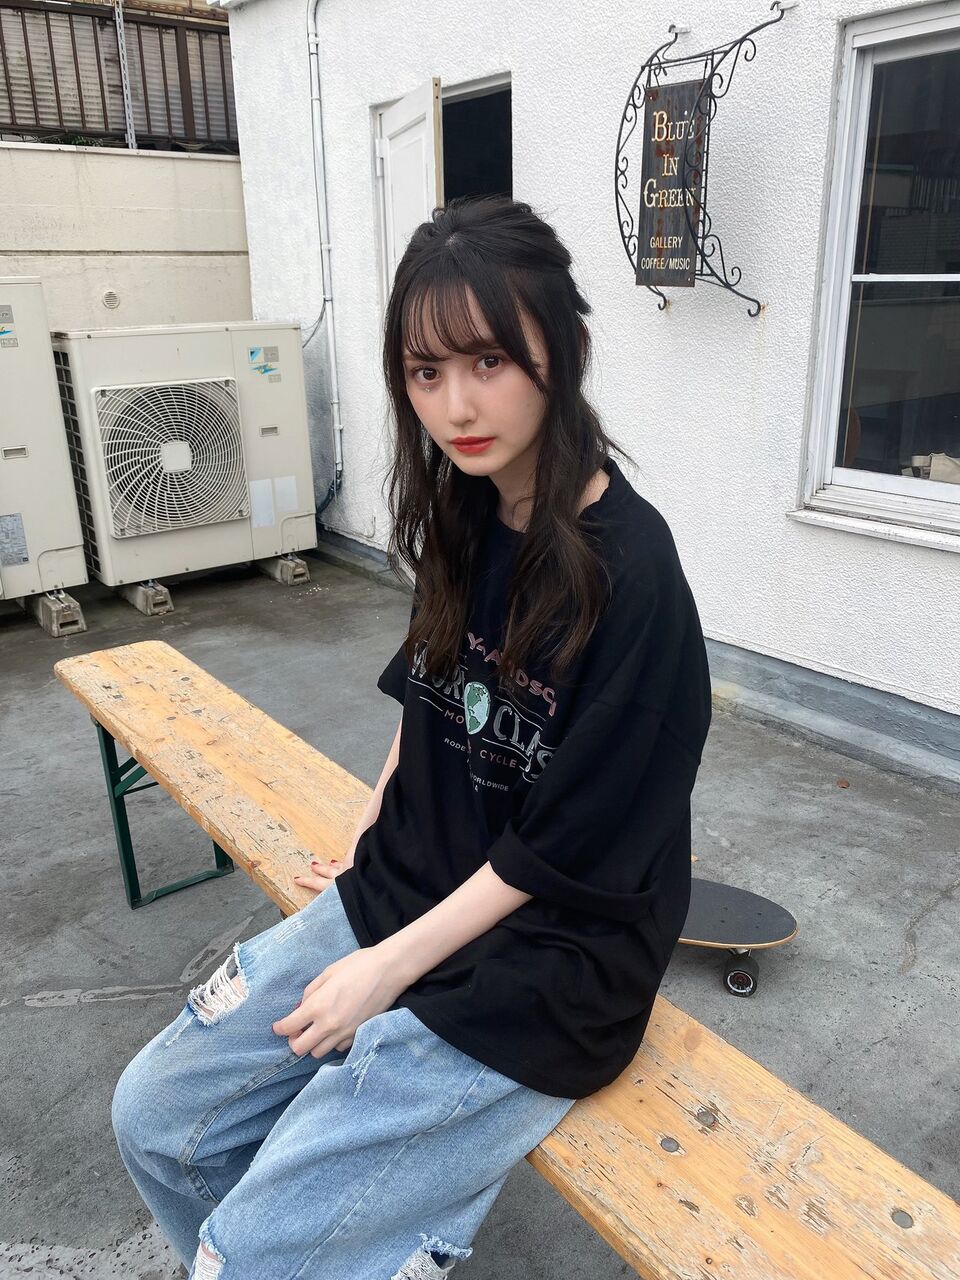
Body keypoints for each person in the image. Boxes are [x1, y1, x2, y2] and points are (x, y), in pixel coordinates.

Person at [110, 195, 713, 1280]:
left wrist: (382, 969)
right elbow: (430, 694)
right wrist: (371, 831)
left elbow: (564, 850)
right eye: (426, 372)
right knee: (157, 1120)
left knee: (245, 1255)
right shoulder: (468, 509)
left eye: (488, 361)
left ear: (566, 350)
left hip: (547, 964)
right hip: (410, 888)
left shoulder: (635, 575)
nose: (456, 405)